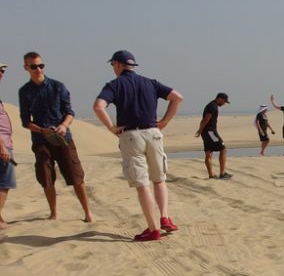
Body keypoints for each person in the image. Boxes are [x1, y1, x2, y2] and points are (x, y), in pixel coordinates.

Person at [93, 50, 183, 241]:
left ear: (118, 64)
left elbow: (98, 106)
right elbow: (177, 97)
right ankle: (165, 217)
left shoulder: (115, 85)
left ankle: (153, 229)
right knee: (159, 179)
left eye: (112, 65)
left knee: (142, 183)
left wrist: (111, 127)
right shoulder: (150, 83)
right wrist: (165, 121)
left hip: (131, 136)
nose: (113, 69)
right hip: (154, 133)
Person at [18, 51, 94, 222]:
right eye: (33, 66)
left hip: (63, 138)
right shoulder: (24, 92)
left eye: (40, 65)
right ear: (26, 68)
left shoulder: (58, 86)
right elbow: (25, 121)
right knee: (46, 176)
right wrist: (42, 130)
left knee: (76, 175)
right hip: (40, 140)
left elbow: (69, 112)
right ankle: (54, 213)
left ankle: (88, 213)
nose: (38, 69)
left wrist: (63, 126)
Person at [195, 93, 231, 179]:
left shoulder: (211, 105)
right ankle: (222, 174)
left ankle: (211, 175)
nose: (224, 104)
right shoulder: (213, 106)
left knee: (209, 152)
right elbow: (206, 119)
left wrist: (201, 131)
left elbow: (204, 119)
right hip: (210, 132)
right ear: (220, 99)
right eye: (224, 102)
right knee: (223, 149)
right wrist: (199, 130)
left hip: (206, 132)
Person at [0, 62, 16, 229]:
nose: (1, 73)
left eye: (2, 70)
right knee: (5, 182)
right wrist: (2, 147)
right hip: (2, 146)